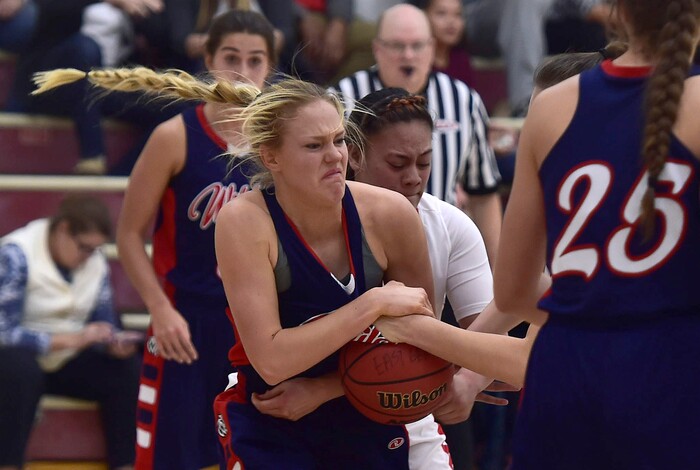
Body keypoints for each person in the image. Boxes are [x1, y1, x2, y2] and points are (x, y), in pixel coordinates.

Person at [384, 1, 700, 467]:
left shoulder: (552, 107)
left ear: (613, 11)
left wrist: (425, 336)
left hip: (567, 382)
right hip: (666, 378)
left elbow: (512, 293)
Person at [32, 9, 277, 470]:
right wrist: (160, 310)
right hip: (184, 322)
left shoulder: (281, 142)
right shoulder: (174, 136)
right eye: (231, 56)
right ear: (208, 58)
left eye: (255, 60)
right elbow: (127, 236)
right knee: (170, 458)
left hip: (260, 327)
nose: (242, 71)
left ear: (270, 66)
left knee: (253, 457)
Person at [247, 87, 506, 470]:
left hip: (400, 405)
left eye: (425, 162)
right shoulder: (258, 219)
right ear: (357, 158)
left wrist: (469, 378)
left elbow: (456, 345)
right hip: (297, 410)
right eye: (398, 163)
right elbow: (273, 357)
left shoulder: (450, 225)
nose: (414, 178)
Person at [208, 75, 444, 468]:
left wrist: (326, 388)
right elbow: (272, 359)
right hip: (272, 416)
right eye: (314, 146)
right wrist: (371, 304)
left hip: (369, 403)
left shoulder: (391, 214)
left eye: (339, 139)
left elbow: (426, 343)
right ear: (271, 157)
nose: (335, 156)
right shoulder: (243, 222)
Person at [331, 3, 503, 266]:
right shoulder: (340, 99)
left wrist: (495, 270)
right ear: (377, 48)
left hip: (440, 248)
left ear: (433, 48)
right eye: (397, 46)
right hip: (359, 251)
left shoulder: (463, 100)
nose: (408, 56)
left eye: (418, 46)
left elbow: (483, 192)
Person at [0, 194, 141, 470]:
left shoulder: (94, 261)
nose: (89, 256)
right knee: (20, 370)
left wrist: (112, 342)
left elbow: (104, 318)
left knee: (126, 371)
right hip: (17, 361)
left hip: (67, 360)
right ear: (63, 229)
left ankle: (126, 463)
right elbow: (3, 332)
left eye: (95, 249)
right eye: (84, 248)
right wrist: (68, 340)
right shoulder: (16, 253)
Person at [421, 0, 474, 86]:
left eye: (457, 14)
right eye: (441, 13)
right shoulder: (416, 59)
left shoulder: (462, 60)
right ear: (424, 16)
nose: (451, 21)